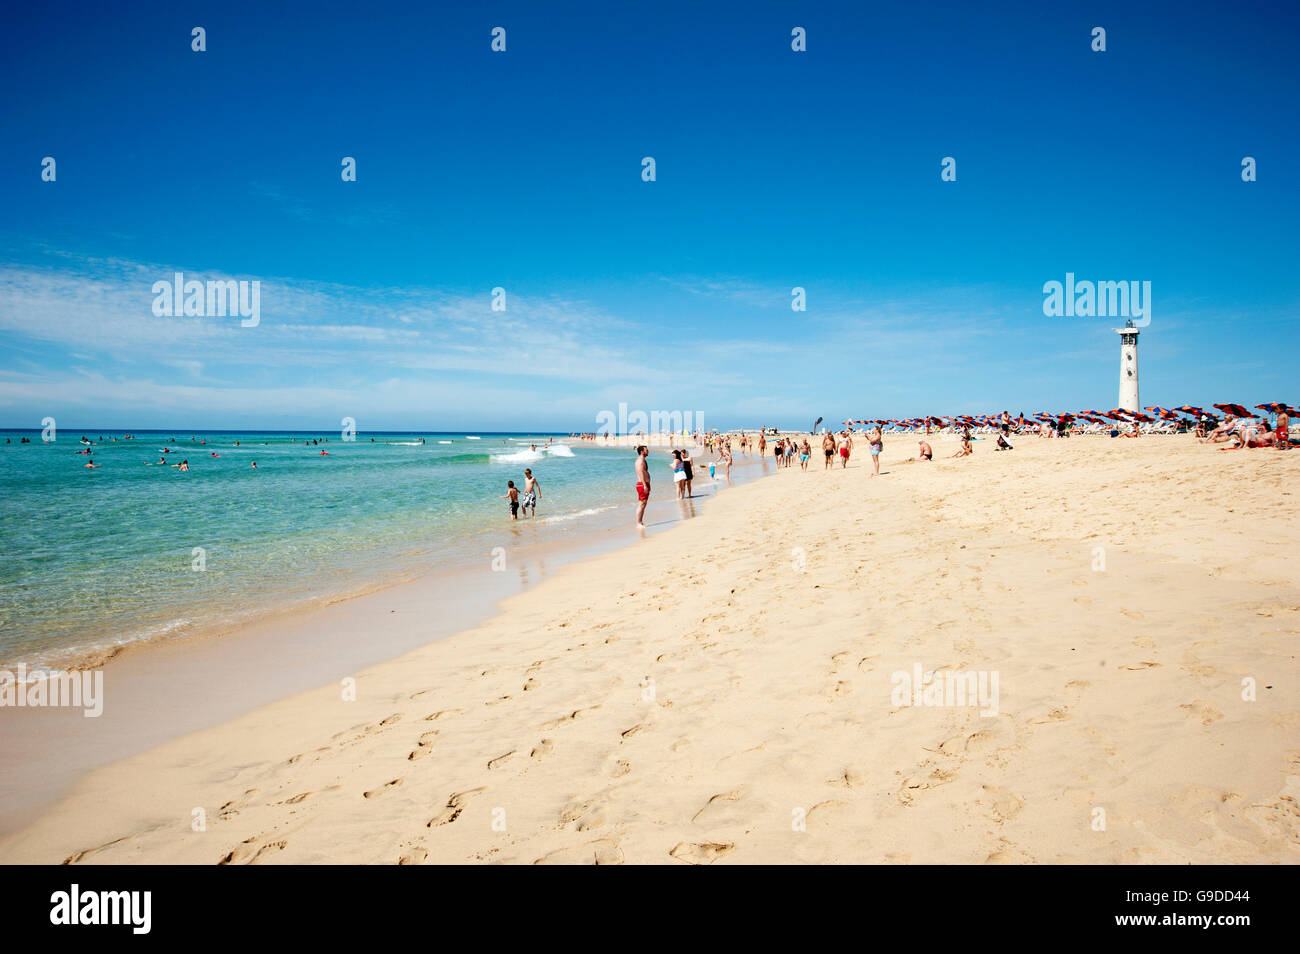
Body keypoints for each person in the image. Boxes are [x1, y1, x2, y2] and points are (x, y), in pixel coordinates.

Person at [634, 445, 650, 528]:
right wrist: (644, 485)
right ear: (642, 452)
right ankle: (638, 523)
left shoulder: (643, 460)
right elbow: (640, 472)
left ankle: (640, 522)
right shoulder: (640, 461)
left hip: (644, 484)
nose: (648, 451)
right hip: (642, 484)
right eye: (646, 450)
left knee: (643, 504)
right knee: (641, 504)